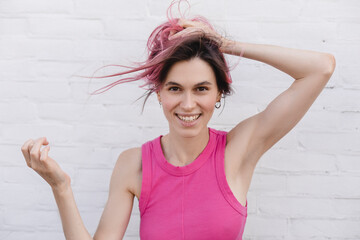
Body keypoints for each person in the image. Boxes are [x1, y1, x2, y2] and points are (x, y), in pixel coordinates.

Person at [20, 2, 336, 240]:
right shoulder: (133, 165)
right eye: (175, 89)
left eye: (201, 89)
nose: (188, 104)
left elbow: (320, 67)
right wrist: (61, 186)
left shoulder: (238, 150)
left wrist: (223, 45)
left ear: (218, 94)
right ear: (159, 93)